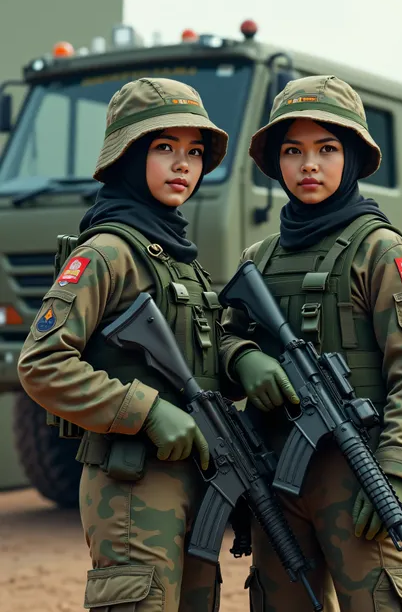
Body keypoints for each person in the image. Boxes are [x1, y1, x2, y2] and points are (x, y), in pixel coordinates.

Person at [219, 75, 402, 611]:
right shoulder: (260, 258)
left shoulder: (381, 251)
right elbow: (220, 339)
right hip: (276, 475)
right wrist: (243, 359)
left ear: (353, 160)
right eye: (293, 151)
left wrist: (394, 470)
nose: (309, 165)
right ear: (276, 162)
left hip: (358, 473)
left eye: (326, 149)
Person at [17, 77, 228, 612]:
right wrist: (147, 410)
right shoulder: (108, 252)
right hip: (132, 482)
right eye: (164, 148)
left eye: (194, 152)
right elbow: (41, 363)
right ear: (129, 156)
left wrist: (240, 358)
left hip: (194, 482)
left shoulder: (180, 257)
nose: (183, 165)